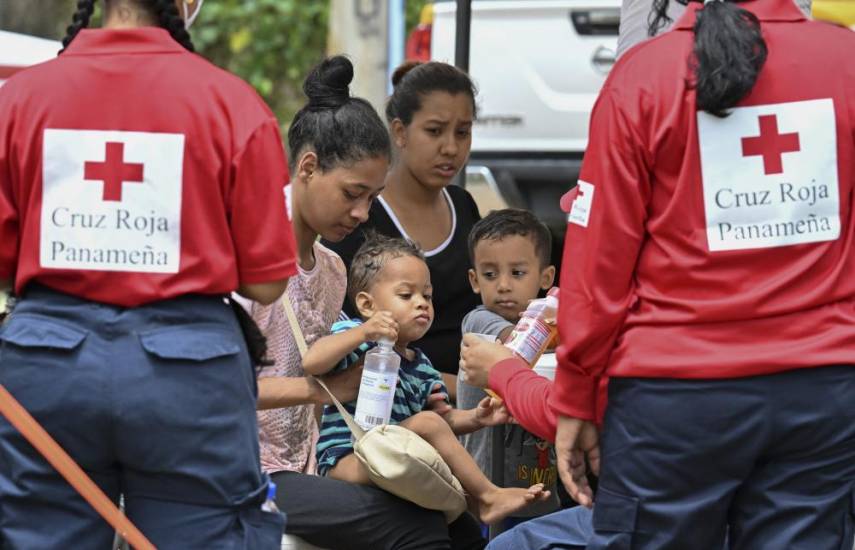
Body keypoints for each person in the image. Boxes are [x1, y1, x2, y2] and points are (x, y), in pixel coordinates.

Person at [549, 0, 855, 548]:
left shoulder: (642, 77)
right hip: (825, 391)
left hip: (672, 405)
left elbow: (600, 264)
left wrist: (575, 392)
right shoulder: (846, 62)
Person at [0, 0, 296, 547]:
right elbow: (266, 281)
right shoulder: (229, 102)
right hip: (189, 380)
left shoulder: (17, 99)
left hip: (47, 370)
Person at [249, 56, 486, 550]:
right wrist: (327, 388)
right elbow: (219, 388)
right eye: (353, 194)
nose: (361, 213)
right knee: (416, 528)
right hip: (248, 470)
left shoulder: (333, 270)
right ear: (308, 167)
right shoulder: (247, 253)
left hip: (320, 459)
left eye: (373, 197)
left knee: (458, 519)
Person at [312, 233, 551, 525]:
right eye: (406, 295)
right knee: (426, 426)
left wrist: (477, 417)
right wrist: (363, 333)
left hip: (398, 457)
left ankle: (471, 503)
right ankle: (486, 496)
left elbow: (442, 422)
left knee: (430, 426)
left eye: (426, 295)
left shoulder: (422, 365)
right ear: (367, 305)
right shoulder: (354, 336)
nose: (421, 304)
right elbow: (312, 363)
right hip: (348, 459)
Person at [324, 61, 481, 398]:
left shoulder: (464, 204)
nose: (451, 148)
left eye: (463, 132)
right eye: (435, 131)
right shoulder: (360, 217)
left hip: (474, 403)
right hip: (392, 405)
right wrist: (462, 388)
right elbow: (343, 342)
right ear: (399, 132)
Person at [456, 208, 558, 520]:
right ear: (474, 280)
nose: (502, 286)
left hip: (543, 485)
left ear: (545, 277)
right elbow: (519, 340)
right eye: (490, 274)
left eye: (517, 273)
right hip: (487, 488)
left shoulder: (552, 325)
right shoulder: (479, 321)